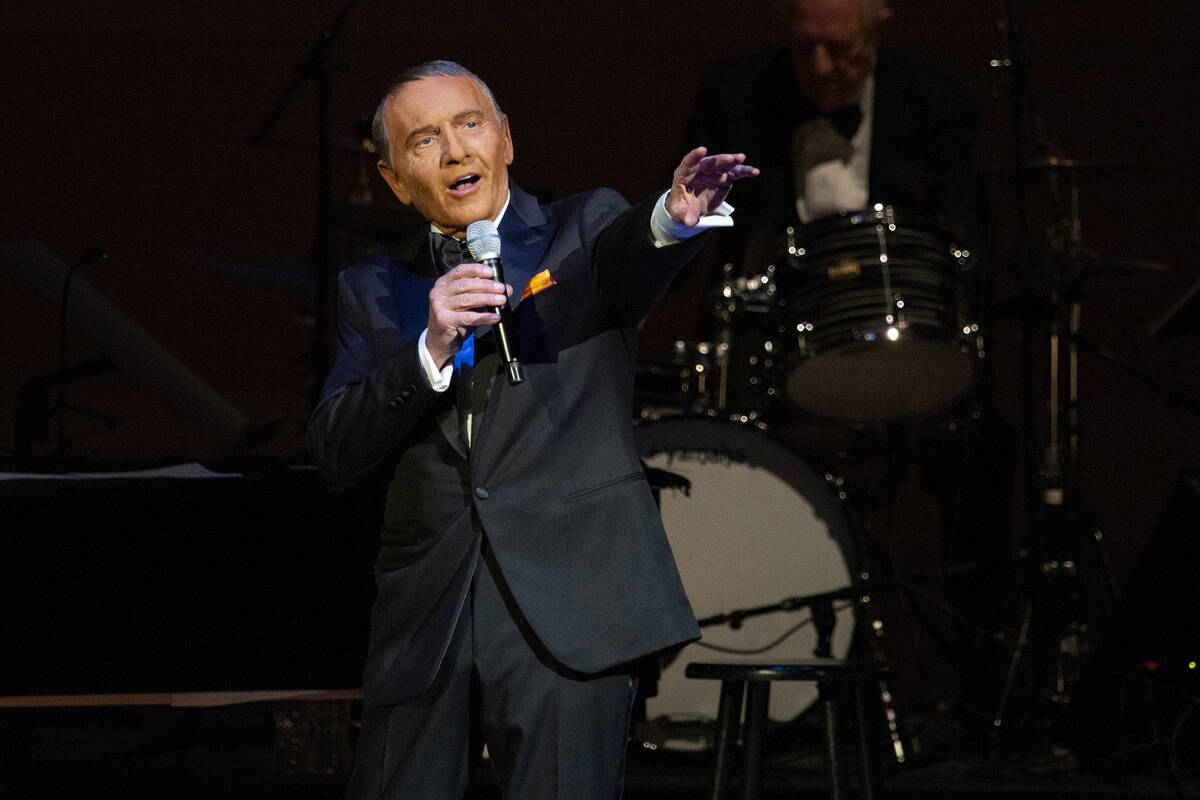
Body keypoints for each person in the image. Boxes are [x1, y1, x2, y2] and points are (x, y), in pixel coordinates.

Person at [306, 60, 757, 799]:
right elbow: (333, 449)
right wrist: (430, 350)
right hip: (429, 619)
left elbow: (631, 255)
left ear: (506, 140)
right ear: (394, 179)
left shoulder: (580, 232)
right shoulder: (374, 290)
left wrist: (673, 218)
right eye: (424, 140)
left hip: (571, 610)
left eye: (469, 125)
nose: (454, 151)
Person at [682, 0, 979, 276]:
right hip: (764, 318)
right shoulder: (734, 96)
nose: (819, 67)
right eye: (803, 45)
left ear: (878, 30)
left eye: (839, 47)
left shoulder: (935, 102)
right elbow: (680, 228)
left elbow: (958, 239)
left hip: (894, 303)